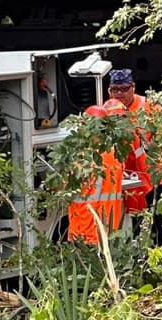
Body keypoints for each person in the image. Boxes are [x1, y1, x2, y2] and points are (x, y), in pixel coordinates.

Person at [107, 68, 162, 245]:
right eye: (115, 90)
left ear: (133, 87)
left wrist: (144, 142)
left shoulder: (150, 107)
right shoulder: (108, 110)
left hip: (155, 176)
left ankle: (159, 257)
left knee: (160, 224)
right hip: (129, 178)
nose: (119, 94)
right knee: (133, 223)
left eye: (124, 89)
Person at [67, 104, 127, 245]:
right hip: (110, 231)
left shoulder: (83, 158)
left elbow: (65, 189)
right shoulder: (115, 154)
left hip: (85, 231)